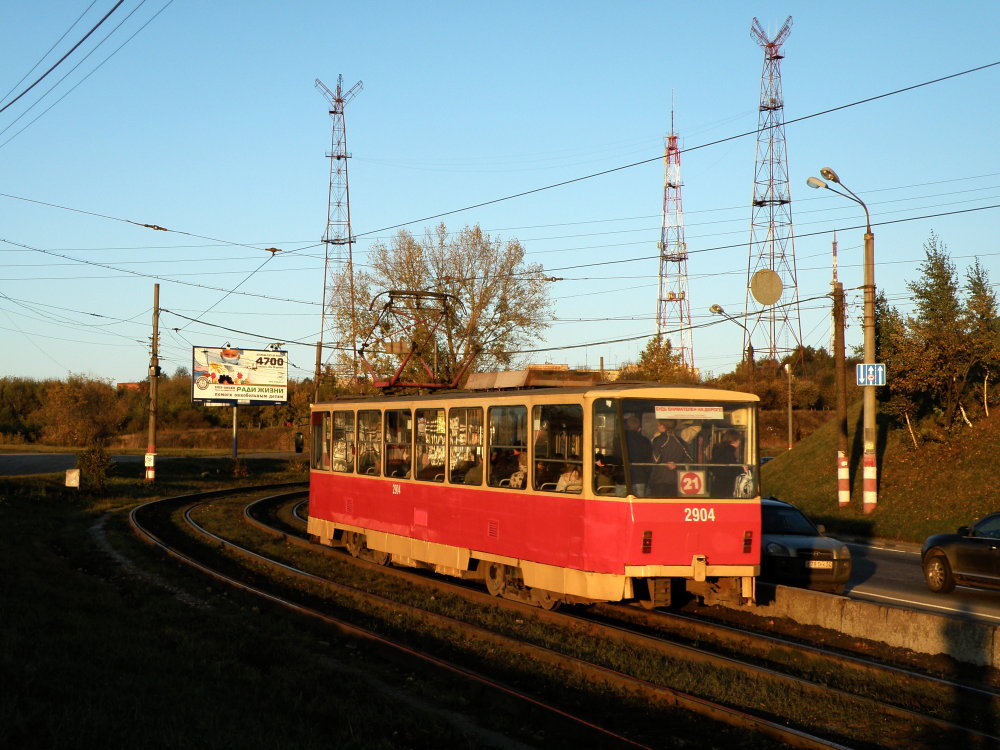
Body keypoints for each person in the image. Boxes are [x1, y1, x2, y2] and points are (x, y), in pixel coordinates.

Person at [649, 419, 693, 496]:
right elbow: (689, 458)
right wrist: (676, 464)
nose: (658, 426)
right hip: (676, 480)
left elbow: (656, 459)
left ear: (663, 427)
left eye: (659, 425)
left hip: (660, 478)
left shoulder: (658, 440)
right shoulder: (680, 441)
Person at [623, 414, 653, 496]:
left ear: (626, 427)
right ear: (639, 428)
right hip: (641, 477)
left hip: (623, 478)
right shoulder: (645, 441)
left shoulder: (620, 440)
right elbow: (649, 459)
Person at [710, 428, 744, 497]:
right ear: (735, 440)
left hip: (717, 485)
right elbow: (729, 470)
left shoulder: (719, 450)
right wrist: (742, 469)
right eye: (739, 440)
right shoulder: (729, 453)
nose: (739, 442)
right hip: (725, 487)